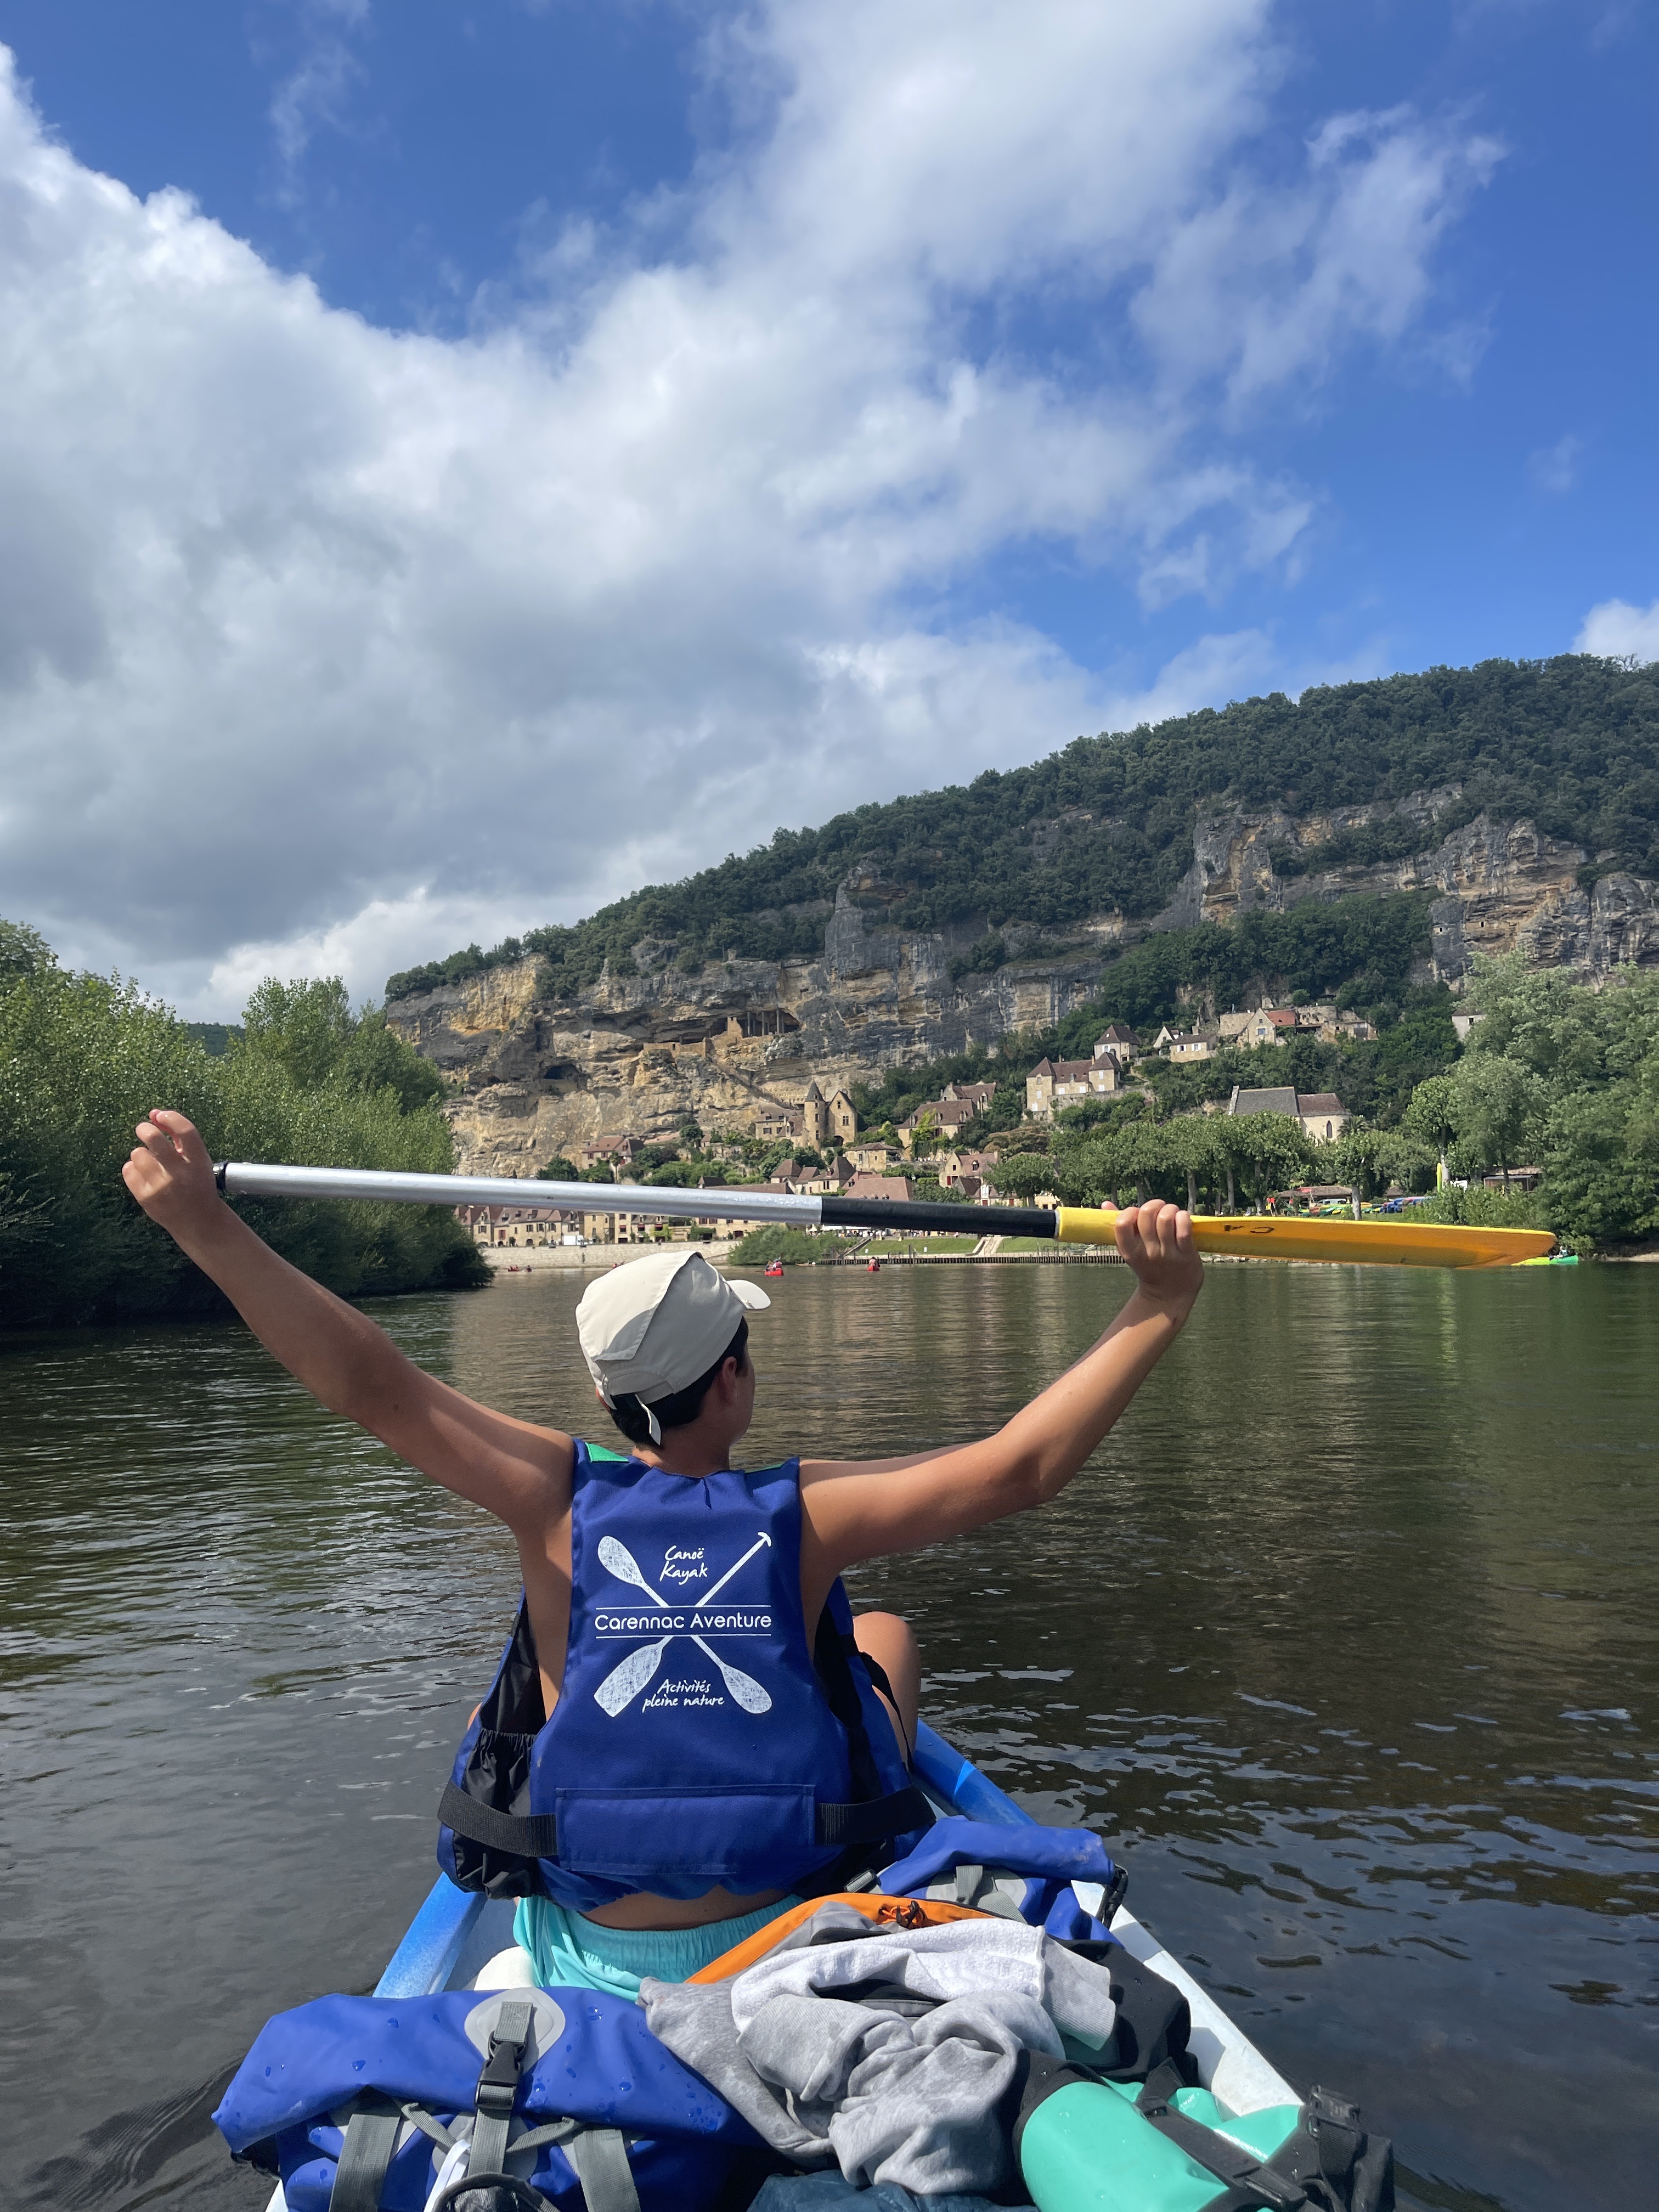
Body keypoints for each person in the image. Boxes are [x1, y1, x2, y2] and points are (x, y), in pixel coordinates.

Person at [123, 1108, 1203, 1994]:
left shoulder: (552, 1495)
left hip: (596, 1950)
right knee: (881, 1633)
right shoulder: (808, 1511)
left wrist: (205, 1225)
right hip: (786, 1924)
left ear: (609, 1397)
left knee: (522, 1683)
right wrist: (1160, 1299)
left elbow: (371, 1384)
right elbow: (1020, 1468)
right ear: (733, 1379)